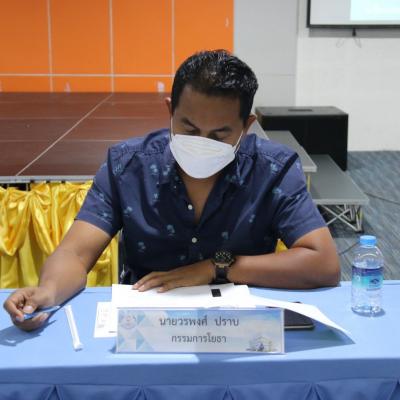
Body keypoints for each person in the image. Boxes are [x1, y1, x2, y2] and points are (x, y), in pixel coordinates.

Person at [3, 50, 340, 331]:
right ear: (170, 111)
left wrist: (217, 267)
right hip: (145, 328)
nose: (201, 143)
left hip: (239, 331)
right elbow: (76, 254)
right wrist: (48, 291)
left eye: (219, 135)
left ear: (246, 126)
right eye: (189, 129)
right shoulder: (128, 167)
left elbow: (323, 263)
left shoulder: (272, 170)